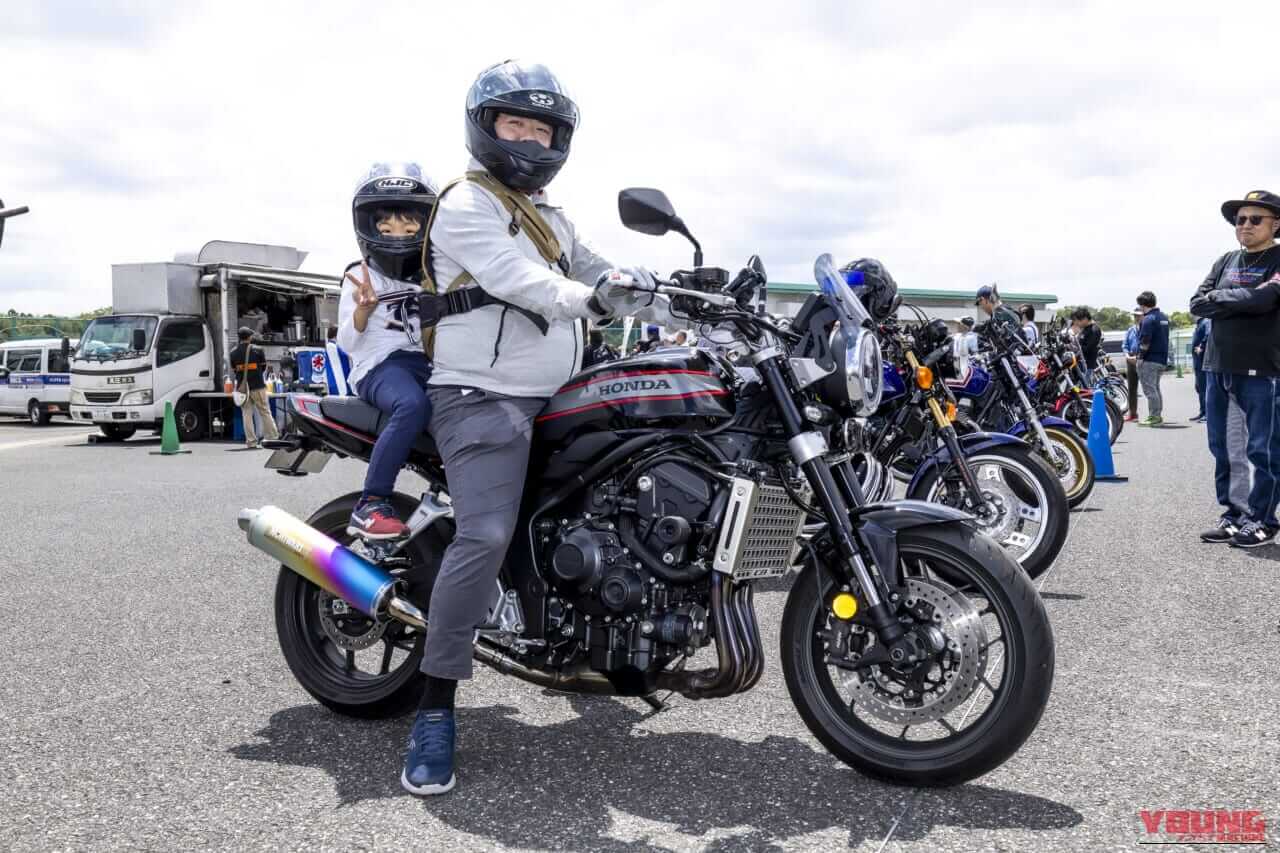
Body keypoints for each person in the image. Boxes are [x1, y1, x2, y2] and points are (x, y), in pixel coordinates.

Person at [401, 60, 671, 796]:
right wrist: (594, 299)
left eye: (541, 127)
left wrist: (676, 300)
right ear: (486, 128)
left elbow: (602, 271)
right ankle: (435, 707)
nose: (529, 137)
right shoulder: (465, 204)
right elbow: (523, 281)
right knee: (484, 533)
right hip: (482, 395)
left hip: (560, 392)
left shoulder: (551, 216)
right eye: (516, 123)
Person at [335, 163, 439, 540]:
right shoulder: (360, 274)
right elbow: (346, 344)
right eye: (387, 226)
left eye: (409, 227)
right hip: (378, 366)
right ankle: (372, 502)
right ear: (370, 226)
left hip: (425, 363)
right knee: (412, 404)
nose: (398, 234)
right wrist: (363, 310)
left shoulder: (434, 276)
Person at [1190, 189, 1280, 547]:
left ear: (1276, 224)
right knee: (1224, 448)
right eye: (1240, 219)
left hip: (1264, 370)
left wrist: (1219, 299)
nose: (1245, 225)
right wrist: (1229, 301)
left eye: (1255, 219)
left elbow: (1263, 300)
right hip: (1217, 367)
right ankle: (1235, 515)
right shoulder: (1225, 260)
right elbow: (1197, 303)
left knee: (1265, 449)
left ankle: (1262, 519)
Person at [228, 327, 279, 449]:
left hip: (242, 389)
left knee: (246, 413)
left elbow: (235, 370)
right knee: (265, 411)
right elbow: (263, 367)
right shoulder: (258, 350)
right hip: (257, 386)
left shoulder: (233, 353)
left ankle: (251, 441)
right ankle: (272, 437)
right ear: (249, 337)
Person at [1134, 291, 1168, 425]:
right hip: (1161, 359)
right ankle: (1157, 415)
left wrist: (1140, 358)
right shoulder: (1163, 317)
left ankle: (1154, 417)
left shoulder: (1148, 319)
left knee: (1149, 389)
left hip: (1149, 359)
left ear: (1142, 305)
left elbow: (1145, 341)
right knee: (1156, 388)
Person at [1070, 307, 1102, 386]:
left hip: (1087, 366)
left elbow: (1087, 348)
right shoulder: (1085, 329)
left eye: (1077, 321)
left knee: (1084, 390)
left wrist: (1074, 347)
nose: (1076, 323)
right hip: (1080, 365)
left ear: (1084, 319)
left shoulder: (1094, 330)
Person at [1122, 308, 1142, 421]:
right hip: (1130, 360)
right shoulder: (1130, 330)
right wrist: (1127, 356)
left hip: (1142, 359)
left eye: (1139, 315)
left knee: (1149, 388)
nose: (1136, 318)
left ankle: (1152, 415)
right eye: (1135, 316)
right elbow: (1124, 345)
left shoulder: (1146, 329)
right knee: (1132, 389)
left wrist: (1138, 357)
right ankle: (1132, 413)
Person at [1190, 316, 1210, 422]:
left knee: (1204, 389)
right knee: (1200, 388)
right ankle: (1202, 412)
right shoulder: (1199, 324)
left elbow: (1209, 334)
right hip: (1198, 364)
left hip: (1203, 364)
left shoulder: (1206, 322)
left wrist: (1201, 346)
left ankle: (1207, 414)